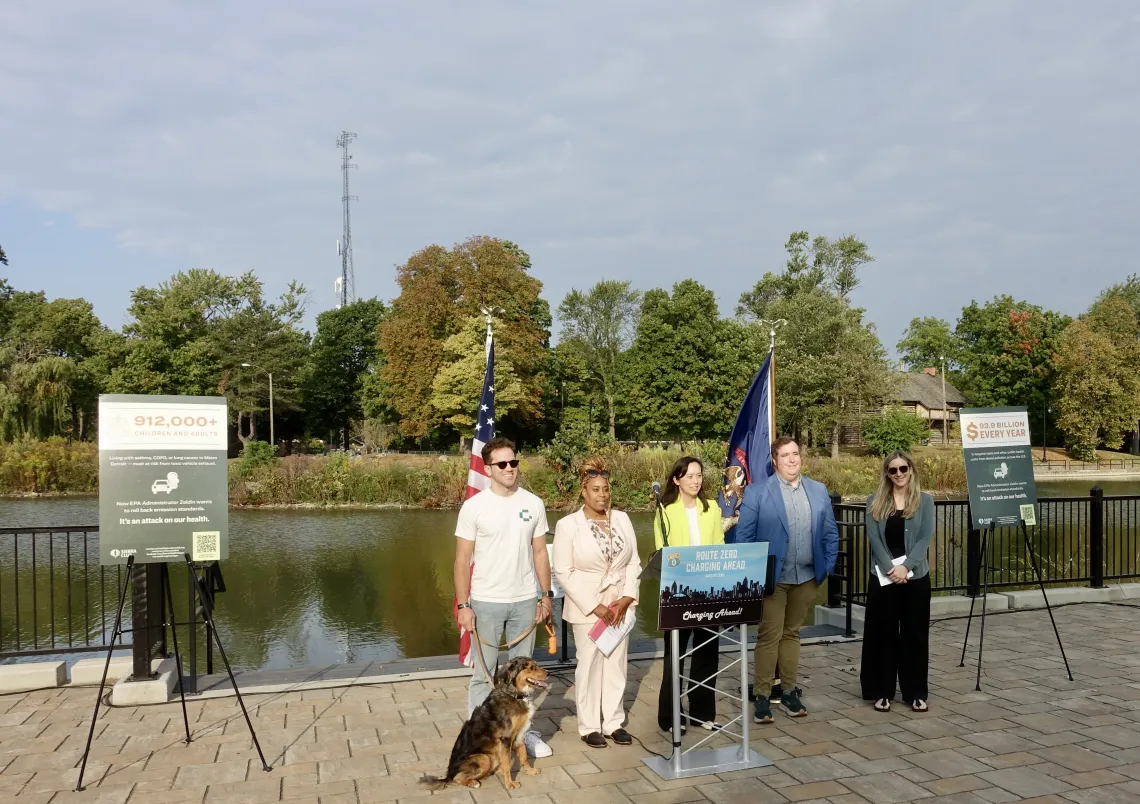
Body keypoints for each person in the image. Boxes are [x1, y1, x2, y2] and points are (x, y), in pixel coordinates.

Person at [454, 436, 554, 758]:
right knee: (485, 679)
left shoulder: (533, 503)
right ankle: (477, 741)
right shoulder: (474, 507)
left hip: (526, 601)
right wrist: (464, 605)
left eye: (514, 462)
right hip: (485, 602)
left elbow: (540, 552)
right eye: (502, 464)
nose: (510, 469)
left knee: (523, 679)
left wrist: (545, 595)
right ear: (489, 469)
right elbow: (460, 560)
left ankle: (522, 736)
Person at [734, 436, 838, 724]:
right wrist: (750, 576)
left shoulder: (817, 491)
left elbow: (830, 533)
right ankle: (764, 697)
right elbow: (744, 538)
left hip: (806, 576)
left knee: (792, 634)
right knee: (770, 636)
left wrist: (827, 567)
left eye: (795, 454)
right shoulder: (757, 493)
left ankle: (790, 692)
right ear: (775, 461)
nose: (792, 460)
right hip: (772, 578)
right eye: (785, 455)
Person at [553, 456, 641, 749]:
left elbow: (634, 562)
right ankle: (590, 725)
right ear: (583, 492)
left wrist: (626, 599)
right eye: (595, 489)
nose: (602, 495)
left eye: (605, 489)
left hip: (620, 605)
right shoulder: (568, 525)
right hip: (588, 607)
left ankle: (613, 722)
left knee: (617, 663)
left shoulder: (624, 519)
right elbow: (564, 571)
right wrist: (596, 606)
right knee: (589, 664)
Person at [653, 456, 725, 734]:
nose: (696, 481)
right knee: (676, 656)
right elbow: (663, 551)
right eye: (690, 476)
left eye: (699, 476)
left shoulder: (713, 508)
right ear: (676, 480)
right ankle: (670, 716)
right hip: (679, 594)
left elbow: (718, 545)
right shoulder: (665, 511)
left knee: (707, 653)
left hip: (709, 592)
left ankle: (702, 714)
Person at [860, 450, 934, 713]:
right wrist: (892, 569)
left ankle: (915, 692)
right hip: (883, 578)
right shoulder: (874, 501)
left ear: (911, 470)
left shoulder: (925, 501)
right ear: (887, 474)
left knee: (915, 636)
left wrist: (906, 567)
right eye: (893, 470)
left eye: (903, 468)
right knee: (884, 635)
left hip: (916, 578)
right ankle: (882, 692)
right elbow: (874, 540)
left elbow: (925, 538)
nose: (899, 474)